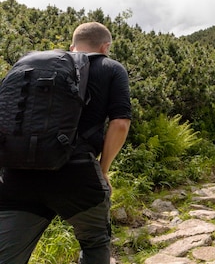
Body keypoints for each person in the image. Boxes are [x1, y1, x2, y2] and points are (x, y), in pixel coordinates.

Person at [0, 22, 132, 264]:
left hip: (17, 175)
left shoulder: (32, 66)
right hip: (77, 173)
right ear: (106, 47)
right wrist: (103, 171)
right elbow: (120, 123)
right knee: (95, 242)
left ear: (72, 46)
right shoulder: (111, 68)